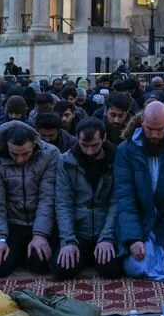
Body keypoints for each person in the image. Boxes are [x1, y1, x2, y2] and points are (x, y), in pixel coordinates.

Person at [115, 101, 164, 281]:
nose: (153, 135)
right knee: (135, 266)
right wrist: (133, 239)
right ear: (141, 122)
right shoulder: (126, 150)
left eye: (159, 130)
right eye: (149, 129)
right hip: (143, 223)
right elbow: (125, 198)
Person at [0, 120, 59, 277]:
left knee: (41, 263)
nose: (20, 160)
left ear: (34, 145)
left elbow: (48, 198)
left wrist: (40, 234)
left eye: (25, 154)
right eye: (14, 154)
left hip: (42, 221)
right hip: (13, 223)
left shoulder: (50, 154)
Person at [53, 117, 123, 280]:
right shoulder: (66, 161)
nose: (90, 151)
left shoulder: (117, 159)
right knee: (61, 270)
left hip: (104, 229)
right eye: (85, 145)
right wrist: (68, 241)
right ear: (77, 138)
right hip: (79, 233)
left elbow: (116, 203)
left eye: (95, 145)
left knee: (111, 270)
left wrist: (107, 237)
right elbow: (63, 203)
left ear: (104, 138)